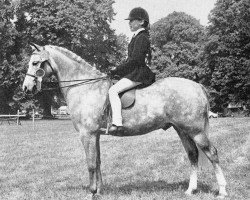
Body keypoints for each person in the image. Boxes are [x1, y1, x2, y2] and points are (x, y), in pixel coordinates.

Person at [108, 7, 155, 134]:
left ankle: (117, 124)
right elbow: (130, 60)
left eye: (132, 20)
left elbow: (135, 60)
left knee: (113, 91)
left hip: (138, 73)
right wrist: (117, 70)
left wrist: (116, 70)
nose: (129, 23)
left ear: (141, 21)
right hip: (135, 71)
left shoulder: (142, 37)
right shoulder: (137, 37)